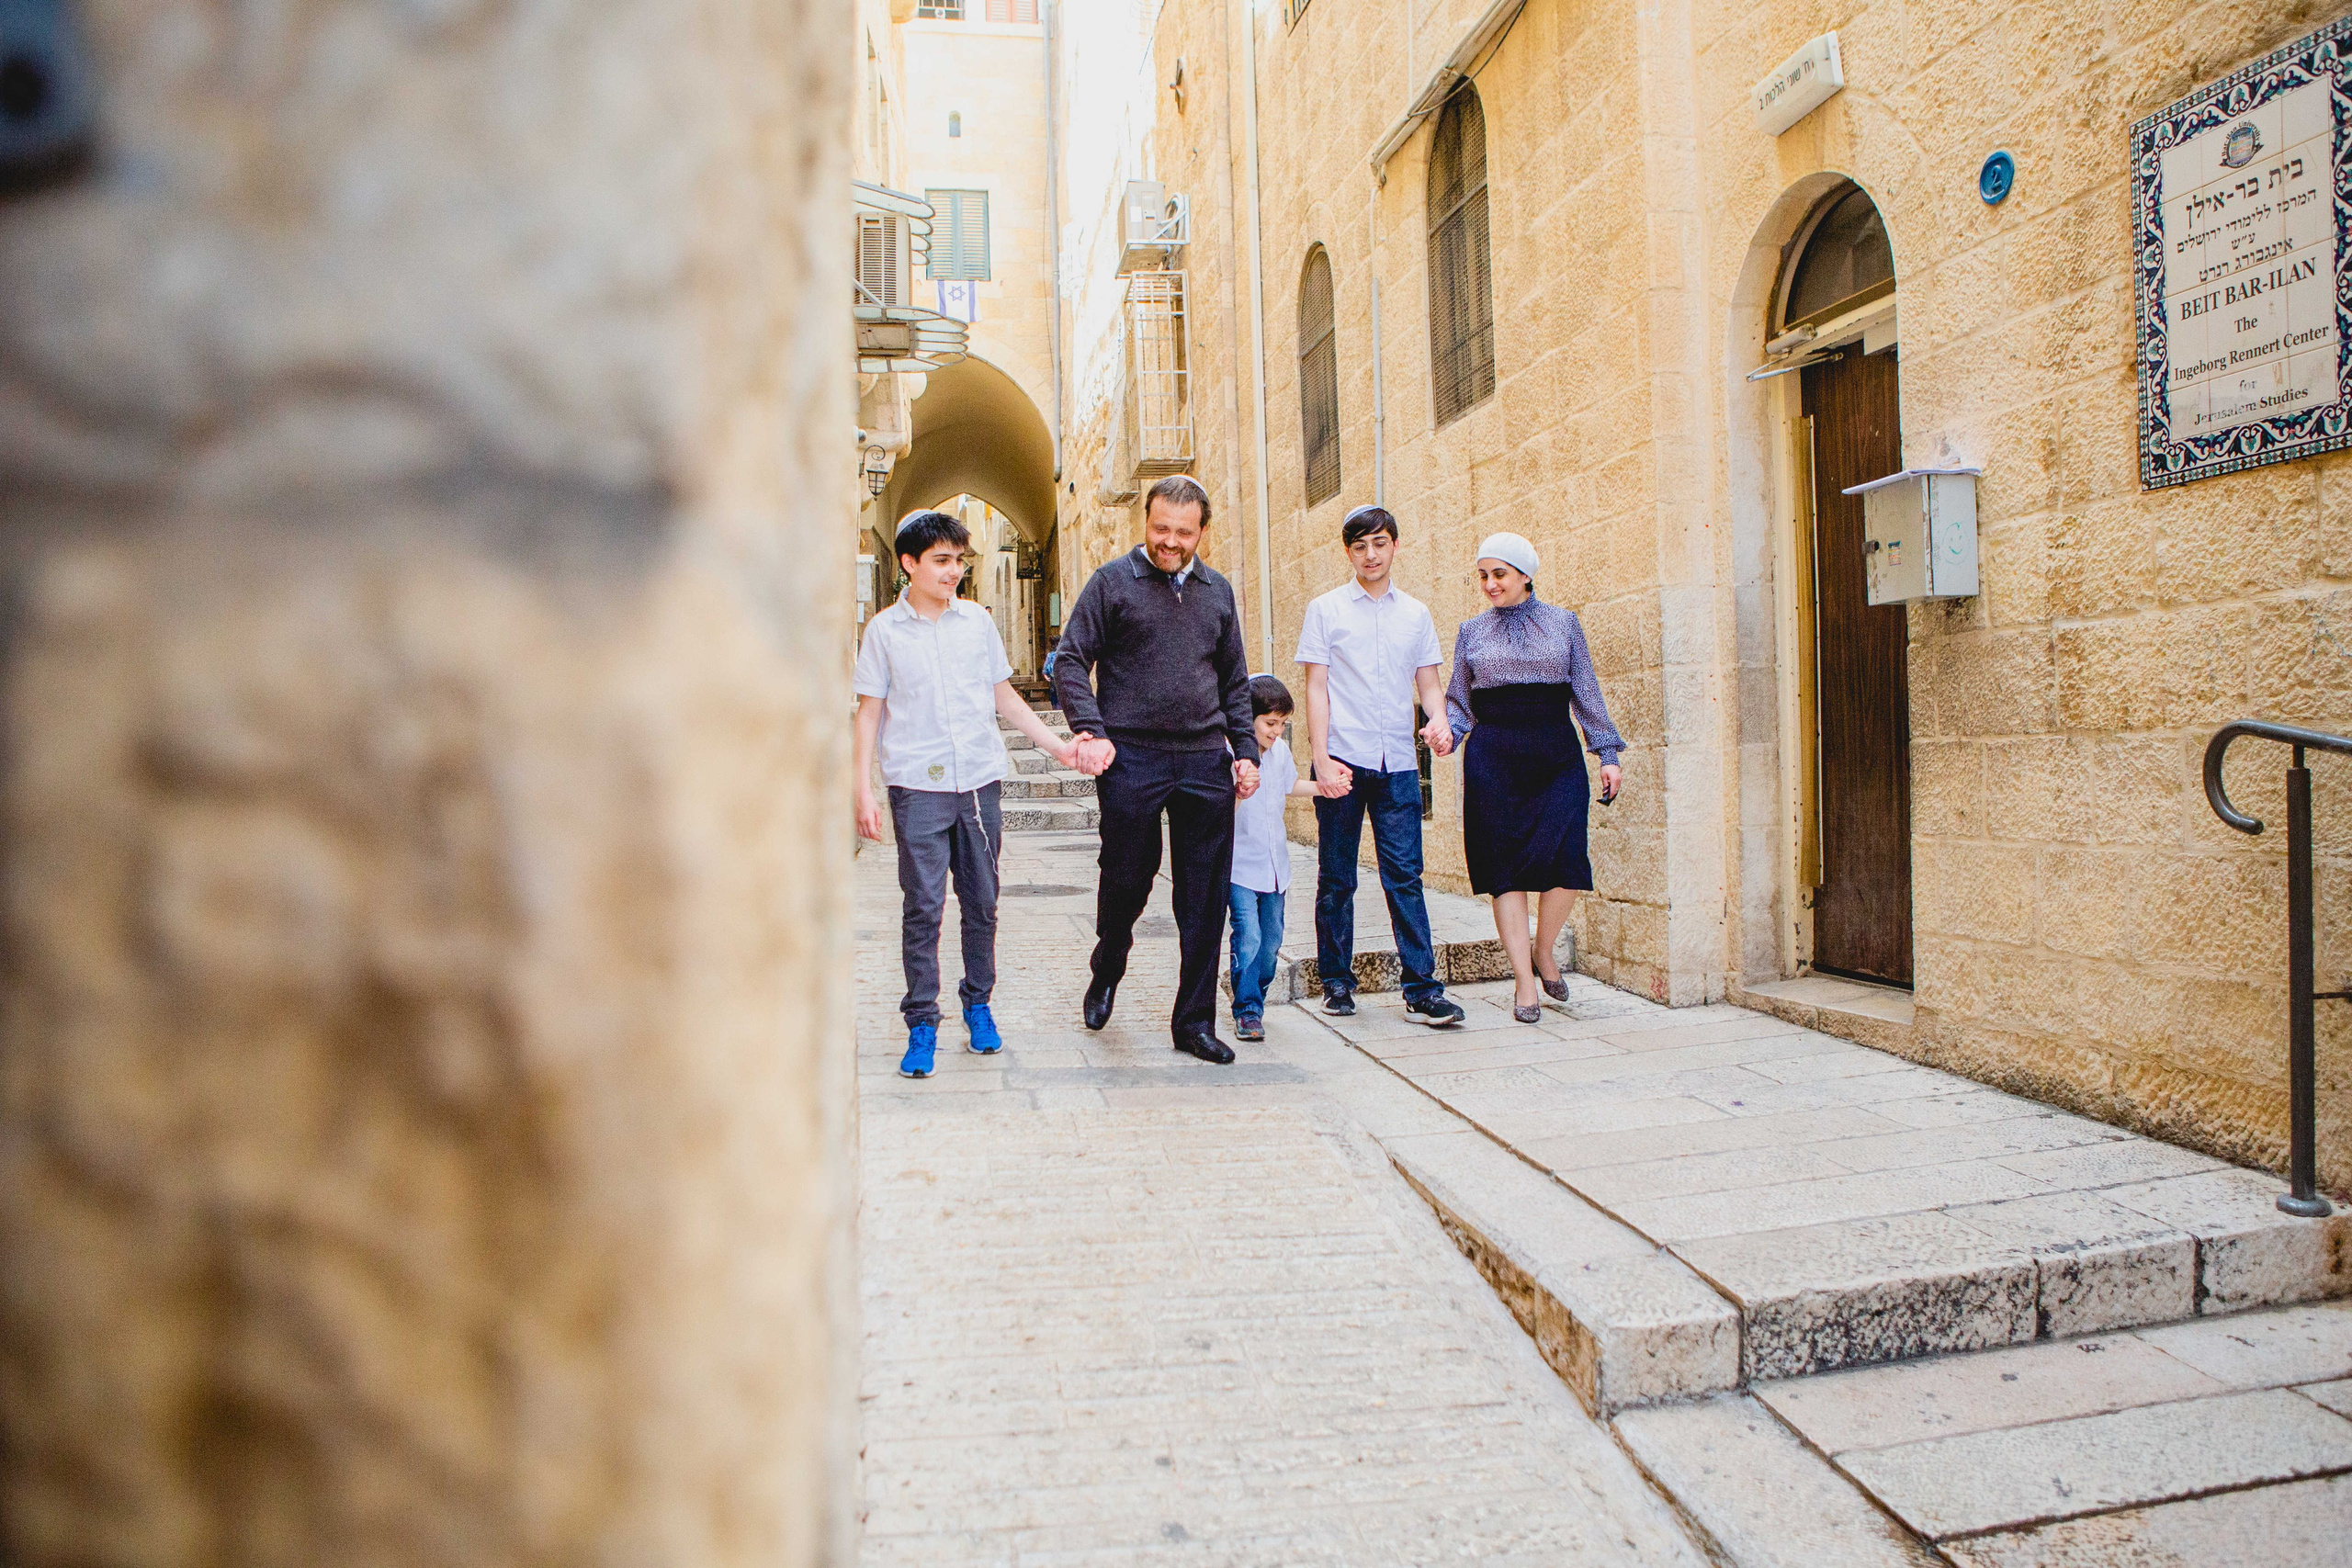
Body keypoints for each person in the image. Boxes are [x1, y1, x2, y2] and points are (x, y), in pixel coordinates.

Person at [854, 510, 1101, 1078]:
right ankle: (921, 1023)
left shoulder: (976, 624)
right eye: (942, 561)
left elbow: (1005, 698)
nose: (954, 572)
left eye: (959, 561)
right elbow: (868, 716)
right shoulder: (884, 634)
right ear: (909, 564)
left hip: (979, 784)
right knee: (922, 906)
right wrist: (862, 791)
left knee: (983, 902)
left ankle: (979, 1005)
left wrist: (1058, 747)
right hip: (917, 786)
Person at [1055, 475, 1261, 1064]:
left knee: (1205, 895)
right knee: (1126, 877)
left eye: (1184, 532)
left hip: (1202, 757)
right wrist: (1090, 730)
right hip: (1131, 758)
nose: (1170, 541)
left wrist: (1244, 750)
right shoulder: (1111, 583)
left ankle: (1193, 1022)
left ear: (1202, 531)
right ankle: (1108, 962)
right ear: (1146, 523)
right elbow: (1071, 657)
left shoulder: (1217, 592)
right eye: (1161, 529)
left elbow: (1234, 681)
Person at [1295, 505, 1468, 1027]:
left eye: (1379, 543)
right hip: (1342, 761)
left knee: (1404, 877)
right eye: (1359, 546)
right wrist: (1322, 760)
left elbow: (1430, 685)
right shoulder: (1325, 610)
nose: (1371, 554)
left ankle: (1421, 990)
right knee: (1337, 879)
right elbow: (1316, 687)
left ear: (1395, 545)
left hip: (1396, 762)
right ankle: (1336, 984)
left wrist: (1440, 721)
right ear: (1348, 552)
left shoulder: (1415, 614)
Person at [1444, 531, 1624, 1023]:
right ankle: (1525, 978)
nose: (1489, 584)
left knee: (1567, 858)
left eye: (1498, 574)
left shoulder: (1565, 624)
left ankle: (1545, 950)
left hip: (1555, 756)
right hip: (1494, 760)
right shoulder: (1470, 633)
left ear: (1526, 574)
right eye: (1482, 575)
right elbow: (1460, 704)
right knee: (1504, 869)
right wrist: (1446, 735)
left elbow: (1585, 691)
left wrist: (1606, 752)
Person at [1227, 675, 1319, 1043]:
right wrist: (1239, 791)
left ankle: (1255, 996)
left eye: (1282, 723)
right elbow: (1218, 810)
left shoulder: (1279, 752)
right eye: (1270, 723)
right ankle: (1247, 1009)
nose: (1277, 731)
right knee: (1248, 937)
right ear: (1247, 718)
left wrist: (1325, 787)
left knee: (1271, 942)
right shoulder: (1231, 754)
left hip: (1276, 866)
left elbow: (1290, 785)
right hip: (1239, 866)